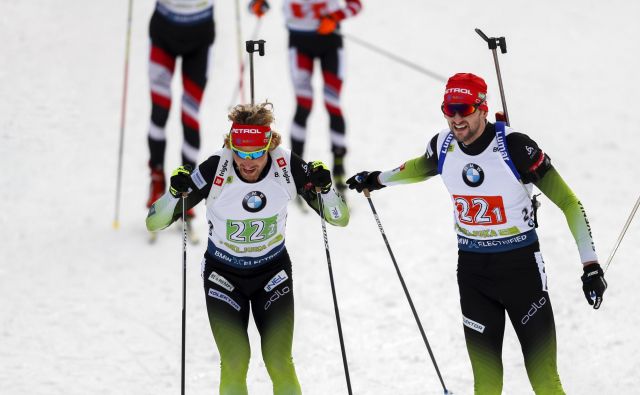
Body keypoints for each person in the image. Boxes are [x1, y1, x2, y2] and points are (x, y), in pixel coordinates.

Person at [345, 73, 608, 394]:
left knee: (544, 380)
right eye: (448, 109)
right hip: (473, 274)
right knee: (485, 383)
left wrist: (590, 265)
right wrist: (376, 179)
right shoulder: (442, 146)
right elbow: (416, 167)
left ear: (483, 108)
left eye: (464, 108)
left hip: (521, 270)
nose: (456, 118)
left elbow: (569, 202)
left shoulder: (515, 146)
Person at [146, 102, 349, 395]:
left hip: (272, 274)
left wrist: (326, 189)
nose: (248, 162)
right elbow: (155, 222)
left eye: (256, 153)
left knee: (279, 361)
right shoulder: (217, 166)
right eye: (241, 152)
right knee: (235, 360)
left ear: (270, 144)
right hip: (223, 277)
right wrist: (174, 192)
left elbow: (338, 218)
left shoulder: (286, 165)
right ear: (231, 146)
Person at [249, 0, 363, 192]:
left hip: (330, 43)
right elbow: (256, 4)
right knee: (303, 105)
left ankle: (339, 167)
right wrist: (257, 6)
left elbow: (356, 5)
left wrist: (336, 17)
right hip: (300, 44)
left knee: (332, 104)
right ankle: (296, 169)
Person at [146, 0, 216, 219]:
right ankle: (156, 179)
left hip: (200, 36)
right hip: (164, 32)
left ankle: (187, 187)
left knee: (190, 113)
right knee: (160, 110)